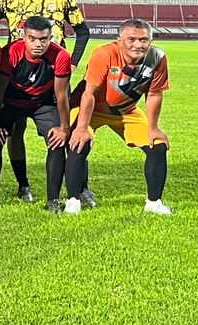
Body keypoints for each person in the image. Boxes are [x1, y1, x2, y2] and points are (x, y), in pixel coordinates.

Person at [0, 0, 89, 202]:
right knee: (13, 131)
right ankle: (23, 185)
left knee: (66, 130)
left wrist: (74, 63)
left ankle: (80, 187)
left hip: (55, 72)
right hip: (16, 73)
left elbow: (82, 31)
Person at [66, 19, 173, 215]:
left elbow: (155, 94)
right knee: (78, 142)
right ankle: (73, 201)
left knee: (157, 144)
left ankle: (154, 203)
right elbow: (88, 94)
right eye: (131, 39)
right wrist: (81, 128)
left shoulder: (157, 57)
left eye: (143, 40)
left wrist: (153, 127)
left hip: (126, 110)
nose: (138, 45)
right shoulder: (104, 53)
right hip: (91, 109)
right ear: (119, 40)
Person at [0, 16, 74, 212]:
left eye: (43, 39)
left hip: (42, 103)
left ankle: (53, 200)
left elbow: (61, 95)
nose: (38, 44)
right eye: (32, 39)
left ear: (51, 37)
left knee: (57, 141)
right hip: (11, 102)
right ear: (23, 37)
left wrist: (64, 128)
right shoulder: (10, 52)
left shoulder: (60, 56)